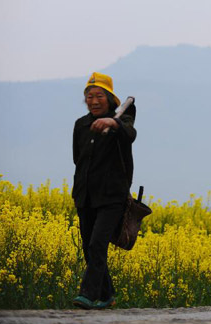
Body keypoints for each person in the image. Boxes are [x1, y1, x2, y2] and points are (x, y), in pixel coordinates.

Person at [72, 72, 137, 310]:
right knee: (89, 247)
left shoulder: (122, 123)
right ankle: (107, 295)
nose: (93, 100)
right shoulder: (81, 125)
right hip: (85, 195)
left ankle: (87, 295)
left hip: (112, 197)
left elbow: (130, 134)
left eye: (99, 95)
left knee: (97, 245)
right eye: (89, 96)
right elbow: (77, 159)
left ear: (110, 99)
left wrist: (114, 123)